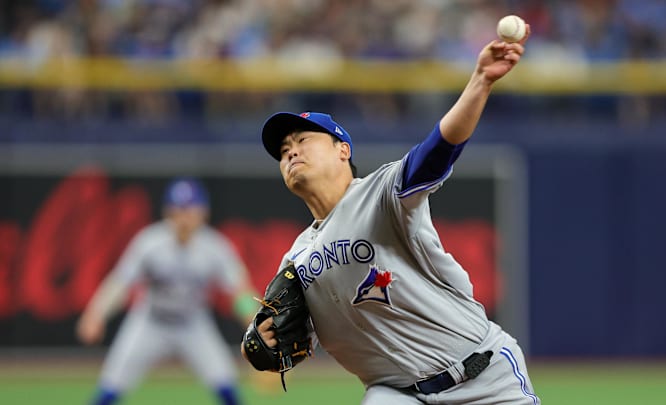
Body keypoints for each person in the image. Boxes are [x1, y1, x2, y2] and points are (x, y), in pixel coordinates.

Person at [243, 24, 539, 405]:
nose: (290, 153)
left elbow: (437, 151)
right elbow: (283, 335)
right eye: (283, 150)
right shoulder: (296, 259)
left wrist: (480, 81)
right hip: (396, 394)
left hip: (482, 378)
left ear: (342, 151)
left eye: (303, 141)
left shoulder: (379, 194)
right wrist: (256, 340)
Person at [77, 177, 258, 405]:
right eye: (178, 210)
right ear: (167, 212)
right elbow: (121, 283)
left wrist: (255, 326)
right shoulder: (149, 243)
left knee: (226, 385)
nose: (184, 218)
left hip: (193, 324)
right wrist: (96, 313)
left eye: (190, 210)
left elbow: (240, 292)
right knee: (110, 387)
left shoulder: (215, 247)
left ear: (204, 212)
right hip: (150, 322)